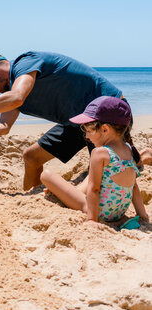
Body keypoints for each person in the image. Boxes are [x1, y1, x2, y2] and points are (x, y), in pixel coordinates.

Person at [0, 51, 129, 190]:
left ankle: (140, 156)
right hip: (76, 122)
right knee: (31, 157)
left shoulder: (25, 63)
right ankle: (30, 199)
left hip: (106, 115)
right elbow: (3, 126)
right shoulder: (9, 91)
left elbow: (17, 97)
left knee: (98, 180)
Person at [40, 96, 148, 226]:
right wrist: (142, 215)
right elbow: (134, 187)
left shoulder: (100, 153)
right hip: (118, 213)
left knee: (46, 175)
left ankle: (61, 191)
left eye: (88, 131)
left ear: (105, 129)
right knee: (92, 177)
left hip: (97, 211)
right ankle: (64, 191)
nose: (86, 136)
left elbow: (94, 189)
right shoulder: (128, 149)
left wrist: (92, 220)